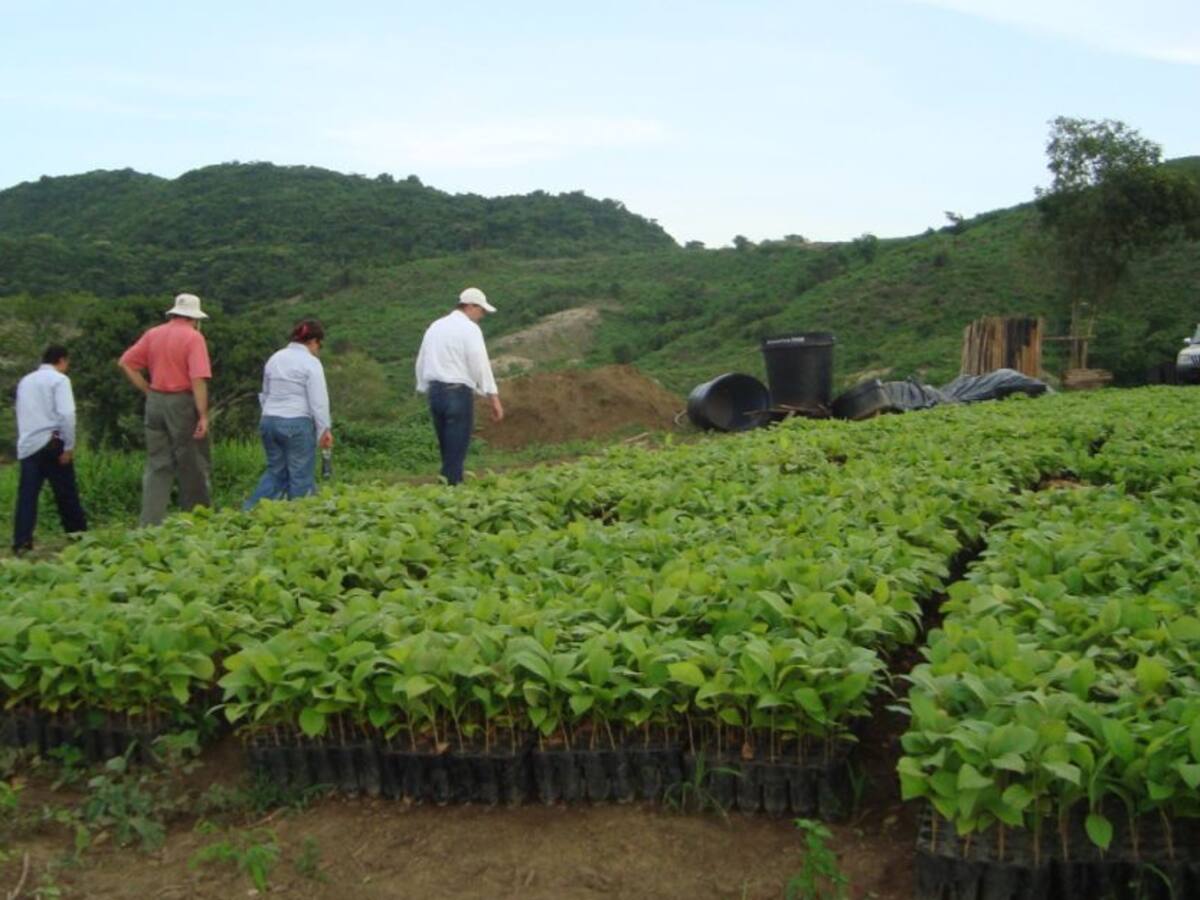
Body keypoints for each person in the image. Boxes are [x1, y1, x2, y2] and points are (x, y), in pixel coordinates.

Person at [117, 292, 212, 526]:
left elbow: (126, 363)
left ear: (174, 313)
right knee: (192, 461)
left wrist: (147, 390)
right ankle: (197, 517)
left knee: (158, 464)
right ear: (195, 318)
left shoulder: (153, 334)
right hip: (181, 402)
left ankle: (149, 523)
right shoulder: (193, 338)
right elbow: (198, 378)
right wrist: (203, 414)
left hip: (155, 401)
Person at [414, 287, 504, 485]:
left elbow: (422, 360)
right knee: (456, 450)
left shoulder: (435, 326)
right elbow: (480, 363)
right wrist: (493, 397)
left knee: (447, 449)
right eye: (481, 311)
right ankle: (451, 493)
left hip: (436, 393)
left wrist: (423, 386)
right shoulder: (470, 329)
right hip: (458, 394)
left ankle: (449, 490)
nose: (482, 316)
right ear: (471, 306)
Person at [243, 318, 333, 509]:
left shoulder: (275, 358)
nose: (319, 349)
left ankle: (250, 511)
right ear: (313, 341)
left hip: (269, 421)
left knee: (276, 472)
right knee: (300, 476)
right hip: (296, 423)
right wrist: (324, 430)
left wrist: (267, 417)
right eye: (319, 344)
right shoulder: (311, 362)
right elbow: (319, 402)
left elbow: (265, 393)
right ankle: (299, 519)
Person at [11, 346, 88, 554]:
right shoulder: (60, 380)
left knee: (27, 495)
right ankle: (78, 535)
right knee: (66, 493)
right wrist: (69, 446)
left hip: (29, 443)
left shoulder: (26, 381)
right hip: (52, 441)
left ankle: (22, 541)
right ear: (62, 360)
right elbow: (67, 414)